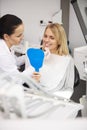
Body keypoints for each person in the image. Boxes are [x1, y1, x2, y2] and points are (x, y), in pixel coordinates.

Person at [26, 23, 74, 99]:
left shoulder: (68, 60)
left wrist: (58, 99)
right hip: (38, 95)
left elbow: (69, 88)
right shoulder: (40, 56)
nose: (46, 40)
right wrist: (36, 81)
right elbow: (29, 81)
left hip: (56, 99)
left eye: (52, 38)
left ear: (59, 41)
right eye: (45, 36)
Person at [0, 14, 40, 83]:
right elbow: (18, 79)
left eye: (22, 34)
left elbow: (14, 61)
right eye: (18, 36)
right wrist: (35, 65)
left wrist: (27, 55)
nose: (22, 37)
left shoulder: (8, 46)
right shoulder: (2, 53)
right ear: (6, 36)